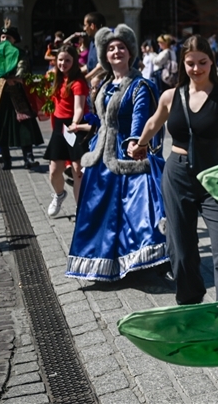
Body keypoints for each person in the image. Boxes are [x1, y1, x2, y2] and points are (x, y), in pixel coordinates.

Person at [130, 35, 218, 306]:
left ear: (211, 62)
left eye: (202, 62)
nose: (197, 69)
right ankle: (190, 303)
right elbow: (153, 122)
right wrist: (140, 144)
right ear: (183, 64)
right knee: (180, 250)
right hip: (178, 176)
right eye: (191, 63)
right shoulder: (171, 96)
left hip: (216, 179)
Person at [66, 24, 168, 282]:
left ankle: (139, 263)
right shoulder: (102, 85)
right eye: (111, 48)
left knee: (133, 212)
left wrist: (136, 142)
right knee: (101, 214)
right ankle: (101, 263)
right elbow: (103, 121)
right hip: (100, 156)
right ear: (104, 55)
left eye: (121, 47)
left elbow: (140, 117)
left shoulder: (140, 85)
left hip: (128, 154)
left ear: (130, 52)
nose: (116, 51)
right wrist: (85, 126)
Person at [0, 25, 42, 170]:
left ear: (14, 40)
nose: (5, 40)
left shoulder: (20, 53)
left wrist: (15, 77)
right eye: (2, 37)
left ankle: (28, 158)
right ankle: (6, 160)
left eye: (8, 37)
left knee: (24, 124)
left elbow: (22, 67)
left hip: (17, 93)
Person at [43, 45, 90, 217]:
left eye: (67, 60)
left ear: (74, 61)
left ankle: (81, 211)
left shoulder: (78, 82)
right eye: (60, 60)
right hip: (59, 127)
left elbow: (79, 107)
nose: (63, 63)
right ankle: (59, 194)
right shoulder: (55, 78)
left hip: (75, 127)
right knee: (55, 170)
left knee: (78, 170)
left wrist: (75, 123)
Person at [82, 11, 107, 83]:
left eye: (85, 25)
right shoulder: (92, 42)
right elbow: (90, 65)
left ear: (92, 26)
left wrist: (84, 79)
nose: (84, 29)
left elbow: (101, 67)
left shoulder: (104, 42)